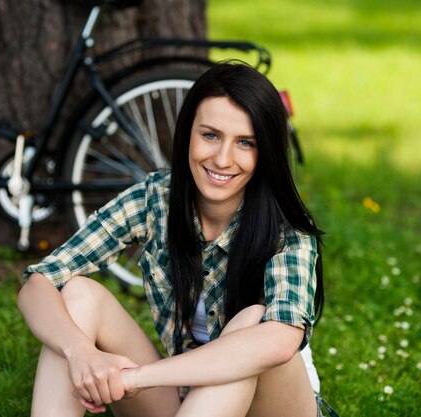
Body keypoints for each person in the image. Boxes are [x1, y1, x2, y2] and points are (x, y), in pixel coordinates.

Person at [18, 62, 326, 417]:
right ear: (187, 135)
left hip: (273, 407)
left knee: (253, 324)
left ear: (266, 152)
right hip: (186, 404)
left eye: (245, 142)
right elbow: (38, 282)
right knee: (77, 295)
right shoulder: (156, 199)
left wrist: (135, 378)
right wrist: (81, 353)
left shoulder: (288, 230)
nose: (222, 159)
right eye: (210, 135)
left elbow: (277, 342)